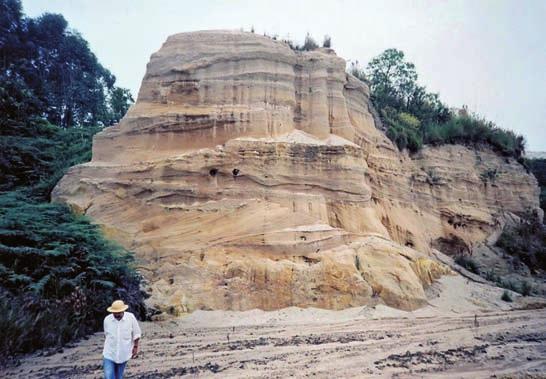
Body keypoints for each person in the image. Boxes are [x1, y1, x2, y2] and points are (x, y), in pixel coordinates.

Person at [102, 300, 142, 379]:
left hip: (124, 354)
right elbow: (106, 335)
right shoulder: (107, 320)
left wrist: (135, 347)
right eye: (114, 312)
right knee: (108, 376)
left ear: (123, 310)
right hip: (109, 353)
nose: (116, 314)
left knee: (118, 377)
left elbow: (136, 333)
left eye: (118, 312)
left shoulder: (131, 318)